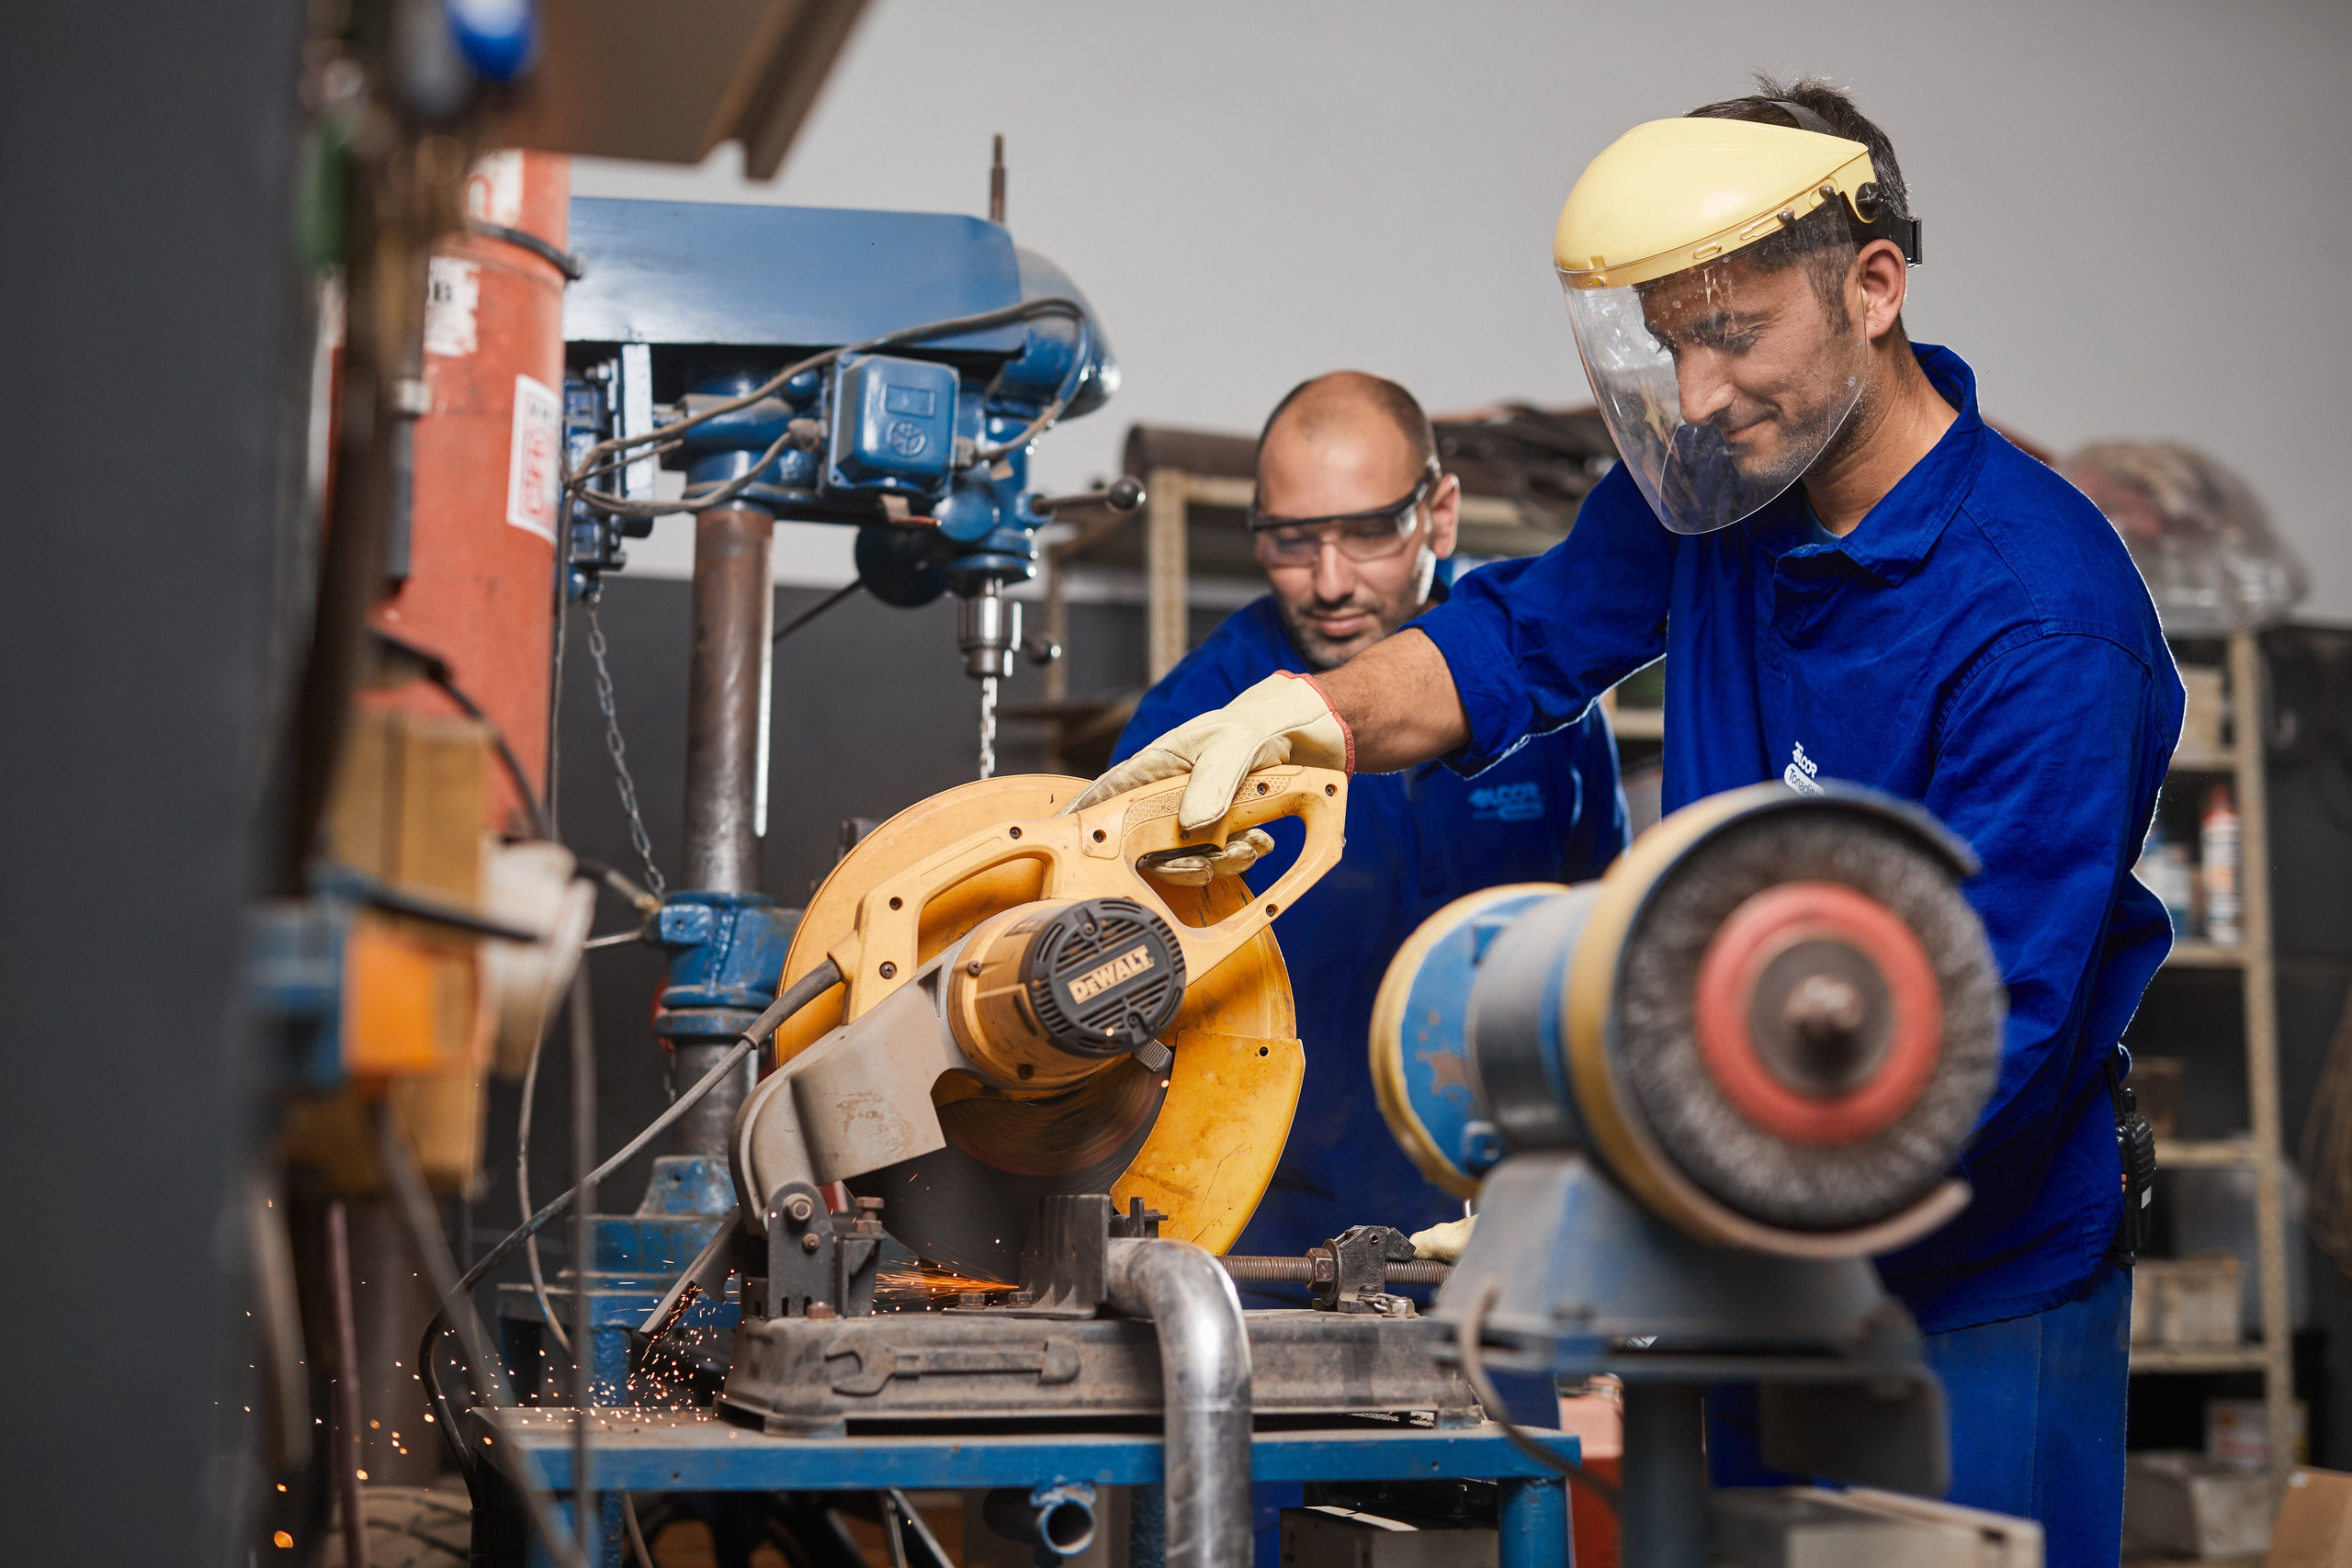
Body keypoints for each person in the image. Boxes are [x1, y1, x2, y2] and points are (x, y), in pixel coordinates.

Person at [1079, 80, 2180, 1564]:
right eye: (1671, 343)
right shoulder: (1728, 487)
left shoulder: (2042, 617)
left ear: (1873, 288)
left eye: (1733, 333)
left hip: (1969, 1285)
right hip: (1741, 1257)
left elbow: (1986, 1043)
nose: (1702, 392)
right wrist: (1306, 722)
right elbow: (1517, 640)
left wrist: (1643, 1188)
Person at [1112, 373, 1626, 1280]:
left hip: (1497, 1246)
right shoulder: (1195, 721)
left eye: (1368, 533)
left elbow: (1602, 957)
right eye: (1291, 542)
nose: (1330, 582)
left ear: (1441, 513)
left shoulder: (1549, 708)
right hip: (1259, 1256)